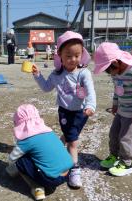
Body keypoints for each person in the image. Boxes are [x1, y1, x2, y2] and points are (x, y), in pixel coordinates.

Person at [31, 31, 96, 189]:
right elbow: (46, 88)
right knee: (73, 142)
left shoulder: (83, 73)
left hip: (81, 112)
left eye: (77, 55)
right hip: (65, 112)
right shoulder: (56, 75)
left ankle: (59, 144)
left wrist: (91, 105)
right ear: (59, 55)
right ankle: (74, 169)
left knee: (70, 136)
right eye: (68, 55)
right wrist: (38, 75)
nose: (73, 59)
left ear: (82, 54)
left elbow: (90, 90)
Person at [93, 42, 132, 176]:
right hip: (121, 110)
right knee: (114, 134)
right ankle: (114, 156)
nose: (109, 73)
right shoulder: (116, 73)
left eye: (108, 69)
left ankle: (127, 163)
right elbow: (117, 90)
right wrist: (115, 104)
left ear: (116, 62)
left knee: (127, 138)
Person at [6, 104, 74, 201]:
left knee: (20, 160)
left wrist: (13, 160)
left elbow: (12, 158)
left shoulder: (26, 139)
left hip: (52, 179)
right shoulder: (49, 132)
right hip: (68, 172)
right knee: (37, 154)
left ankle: (36, 187)